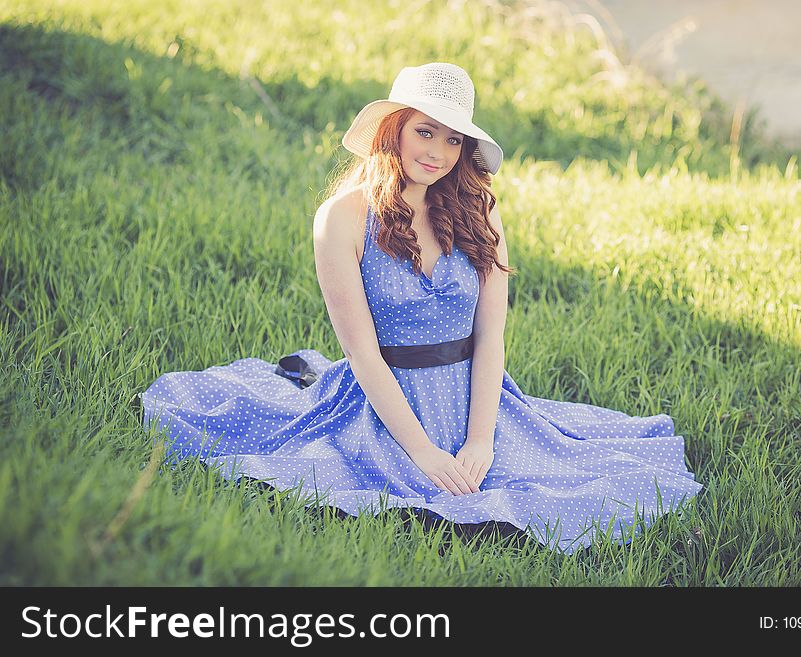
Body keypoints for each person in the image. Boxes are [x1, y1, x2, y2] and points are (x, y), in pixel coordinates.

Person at [140, 62, 704, 555]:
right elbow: (361, 351)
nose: (437, 152)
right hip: (384, 399)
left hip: (473, 399)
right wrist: (425, 453)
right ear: (394, 130)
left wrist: (479, 440)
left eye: (453, 139)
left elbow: (491, 339)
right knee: (389, 481)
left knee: (574, 480)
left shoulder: (479, 209)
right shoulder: (342, 216)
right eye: (425, 131)